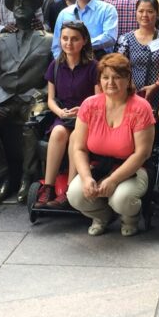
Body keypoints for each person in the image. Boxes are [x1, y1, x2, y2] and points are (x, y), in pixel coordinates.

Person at [0, 0, 54, 204]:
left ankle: (27, 178)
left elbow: (55, 76)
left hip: (33, 97)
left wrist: (44, 97)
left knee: (32, 123)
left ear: (35, 8)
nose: (19, 5)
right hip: (3, 97)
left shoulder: (48, 39)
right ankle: (3, 177)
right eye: (16, 2)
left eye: (25, 1)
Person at [66, 54, 156, 236]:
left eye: (117, 77)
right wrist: (86, 177)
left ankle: (131, 217)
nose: (110, 82)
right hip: (98, 165)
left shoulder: (141, 107)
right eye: (105, 77)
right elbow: (79, 148)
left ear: (128, 78)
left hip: (134, 168)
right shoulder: (89, 105)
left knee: (122, 199)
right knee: (75, 194)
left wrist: (113, 180)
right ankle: (102, 216)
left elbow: (142, 154)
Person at [34, 21, 100, 209]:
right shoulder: (55, 66)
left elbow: (98, 99)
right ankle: (48, 186)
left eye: (74, 39)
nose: (69, 43)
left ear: (84, 41)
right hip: (63, 115)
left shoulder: (93, 67)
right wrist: (60, 112)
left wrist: (83, 110)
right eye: (65, 38)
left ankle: (70, 189)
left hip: (86, 117)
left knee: (75, 140)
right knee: (58, 133)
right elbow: (51, 100)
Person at [115, 0, 159, 109]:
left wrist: (156, 85)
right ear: (135, 13)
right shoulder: (125, 39)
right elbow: (119, 68)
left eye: (150, 11)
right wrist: (130, 85)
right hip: (133, 94)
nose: (144, 15)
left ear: (157, 13)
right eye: (141, 11)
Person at [52, 0, 118, 58]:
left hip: (99, 66)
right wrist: (62, 66)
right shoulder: (64, 14)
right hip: (70, 67)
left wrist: (80, 44)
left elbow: (110, 38)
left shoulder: (107, 9)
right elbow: (56, 46)